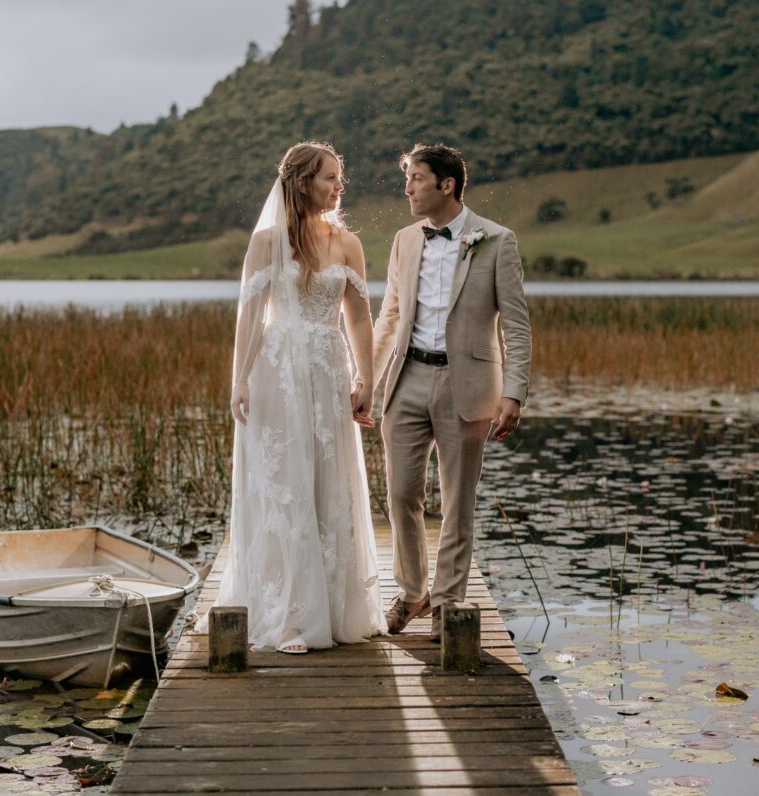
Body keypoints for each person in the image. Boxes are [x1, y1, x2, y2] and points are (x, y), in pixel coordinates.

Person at [208, 141, 384, 653]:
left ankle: (330, 607)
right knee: (282, 482)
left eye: (340, 177)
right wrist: (238, 379)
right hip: (279, 371)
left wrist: (365, 379)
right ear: (304, 182)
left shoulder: (348, 243)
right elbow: (250, 315)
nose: (339, 186)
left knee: (327, 478)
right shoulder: (266, 242)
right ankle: (285, 615)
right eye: (331, 177)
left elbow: (358, 316)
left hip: (329, 369)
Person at [373, 143, 532, 641]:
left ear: (447, 185)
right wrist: (367, 380)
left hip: (470, 384)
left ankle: (447, 601)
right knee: (401, 494)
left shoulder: (497, 240)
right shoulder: (403, 240)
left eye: (417, 178)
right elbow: (391, 315)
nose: (408, 188)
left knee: (458, 499)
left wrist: (515, 392)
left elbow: (518, 327)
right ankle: (413, 591)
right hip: (407, 379)